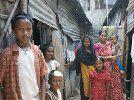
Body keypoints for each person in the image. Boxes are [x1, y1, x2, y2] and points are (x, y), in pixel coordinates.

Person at [0, 13, 48, 100]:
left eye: (28, 29)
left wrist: (43, 98)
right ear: (13, 30)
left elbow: (43, 78)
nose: (25, 33)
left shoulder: (37, 51)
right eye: (21, 29)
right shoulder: (7, 54)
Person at [94, 31, 124, 100]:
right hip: (102, 68)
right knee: (105, 85)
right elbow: (98, 57)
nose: (103, 37)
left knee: (115, 84)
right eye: (102, 35)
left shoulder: (110, 44)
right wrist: (110, 57)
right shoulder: (96, 46)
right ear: (99, 36)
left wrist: (114, 67)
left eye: (105, 36)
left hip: (113, 67)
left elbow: (115, 55)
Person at [73, 35, 96, 100]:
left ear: (90, 42)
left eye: (88, 42)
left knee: (92, 84)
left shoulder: (92, 49)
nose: (86, 43)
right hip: (83, 70)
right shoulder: (80, 49)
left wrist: (89, 53)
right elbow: (77, 59)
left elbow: (94, 59)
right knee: (84, 86)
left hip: (91, 70)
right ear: (82, 42)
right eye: (85, 42)